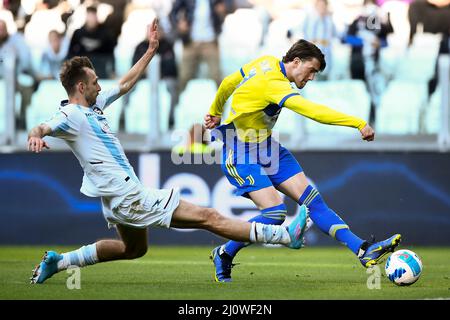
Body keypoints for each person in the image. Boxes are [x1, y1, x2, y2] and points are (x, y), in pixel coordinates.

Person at [27, 19, 308, 285]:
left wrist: (150, 51)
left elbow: (124, 84)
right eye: (95, 82)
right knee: (208, 217)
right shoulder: (70, 114)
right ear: (80, 86)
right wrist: (36, 137)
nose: (100, 86)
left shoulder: (93, 105)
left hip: (115, 197)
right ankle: (283, 235)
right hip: (127, 196)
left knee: (133, 249)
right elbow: (41, 127)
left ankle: (60, 262)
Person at [204, 39, 401, 282]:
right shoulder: (275, 85)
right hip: (240, 149)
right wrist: (358, 123)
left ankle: (362, 250)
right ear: (296, 62)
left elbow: (228, 82)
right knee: (275, 213)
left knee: (314, 203)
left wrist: (215, 111)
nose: (311, 78)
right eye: (311, 70)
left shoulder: (265, 62)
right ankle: (224, 253)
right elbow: (313, 112)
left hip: (267, 147)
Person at [66, 5, 115, 79]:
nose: (92, 19)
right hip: (82, 70)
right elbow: (70, 53)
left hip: (100, 71)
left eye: (93, 16)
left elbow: (111, 53)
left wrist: (112, 70)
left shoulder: (105, 34)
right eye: (90, 16)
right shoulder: (78, 33)